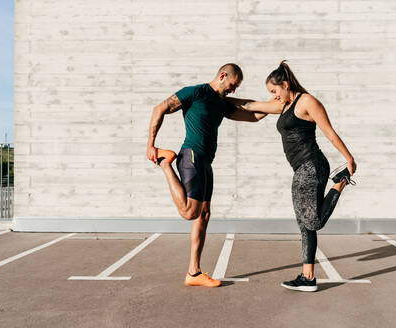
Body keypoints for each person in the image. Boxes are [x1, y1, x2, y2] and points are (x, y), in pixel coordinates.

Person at [236, 60, 357, 292]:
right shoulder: (283, 104)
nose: (273, 96)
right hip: (301, 169)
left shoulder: (307, 102)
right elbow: (251, 107)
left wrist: (349, 159)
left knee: (313, 221)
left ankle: (340, 182)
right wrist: (217, 99)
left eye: (274, 91)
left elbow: (329, 132)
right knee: (304, 224)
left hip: (311, 165)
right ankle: (307, 277)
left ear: (285, 84)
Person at [146, 63, 266, 287]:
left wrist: (278, 106)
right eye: (232, 85)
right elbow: (159, 108)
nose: (233, 90)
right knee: (190, 213)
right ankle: (165, 163)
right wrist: (151, 145)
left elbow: (253, 117)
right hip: (191, 155)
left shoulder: (220, 104)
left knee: (204, 215)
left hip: (206, 163)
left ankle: (193, 273)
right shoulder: (196, 92)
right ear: (222, 76)